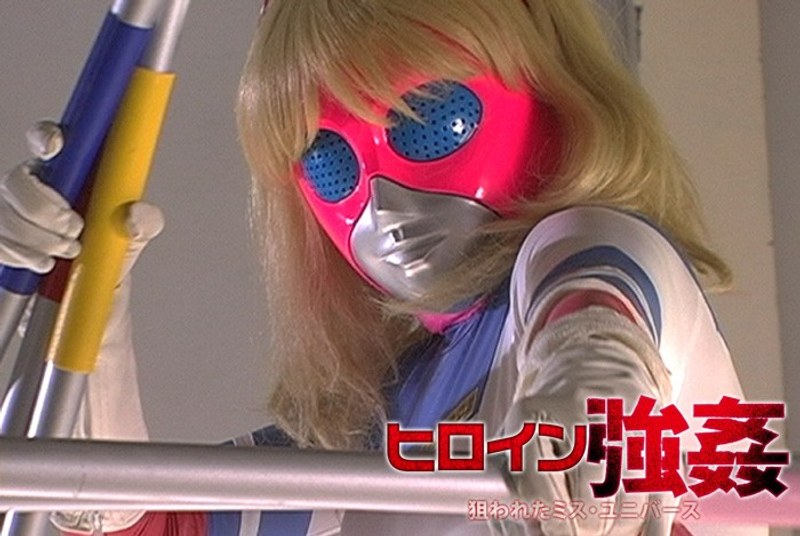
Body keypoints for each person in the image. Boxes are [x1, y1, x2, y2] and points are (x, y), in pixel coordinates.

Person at [0, 0, 745, 534]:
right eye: (329, 162)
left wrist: (591, 389)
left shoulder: (594, 264)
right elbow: (147, 520)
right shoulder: (380, 429)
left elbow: (598, 290)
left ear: (553, 89)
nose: (382, 207)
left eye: (427, 123)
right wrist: (85, 289)